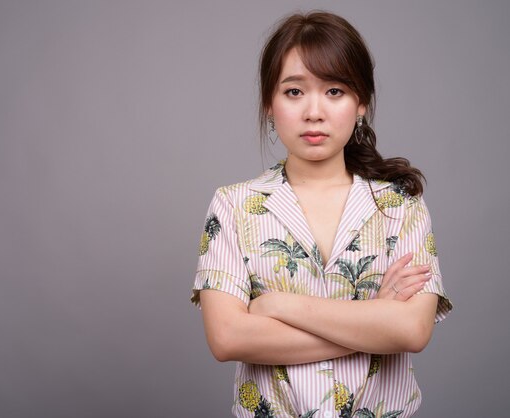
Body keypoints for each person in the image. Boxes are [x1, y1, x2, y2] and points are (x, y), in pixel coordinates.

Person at [191, 11, 452, 418]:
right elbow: (227, 338)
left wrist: (278, 306)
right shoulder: (234, 205)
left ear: (360, 102)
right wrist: (372, 322)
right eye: (294, 92)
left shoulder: (400, 205)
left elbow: (412, 331)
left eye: (334, 91)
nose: (314, 112)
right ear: (269, 103)